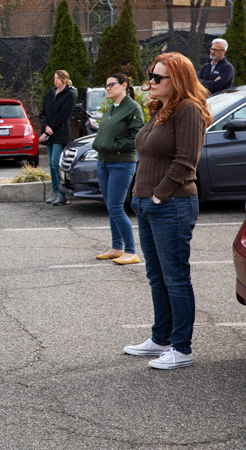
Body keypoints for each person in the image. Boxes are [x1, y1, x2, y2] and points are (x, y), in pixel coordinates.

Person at [123, 53, 211, 370]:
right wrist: (139, 195)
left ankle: (181, 348)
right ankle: (161, 338)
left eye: (157, 77)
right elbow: (148, 156)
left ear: (177, 80)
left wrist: (158, 196)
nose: (151, 81)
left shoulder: (188, 110)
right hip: (147, 204)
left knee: (175, 278)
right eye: (150, 74)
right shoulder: (160, 110)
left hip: (172, 204)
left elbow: (185, 161)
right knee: (156, 276)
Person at [91, 74, 144, 265]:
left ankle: (131, 251)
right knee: (111, 206)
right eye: (106, 85)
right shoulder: (112, 108)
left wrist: (113, 145)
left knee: (115, 206)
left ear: (124, 85)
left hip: (122, 163)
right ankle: (116, 247)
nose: (108, 88)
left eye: (111, 84)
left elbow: (137, 137)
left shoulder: (132, 108)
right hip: (103, 162)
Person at [39, 69, 78, 206]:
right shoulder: (51, 92)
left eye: (58, 78)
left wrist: (50, 128)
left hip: (60, 133)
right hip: (49, 132)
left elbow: (64, 115)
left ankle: (62, 194)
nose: (55, 80)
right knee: (51, 163)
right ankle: (55, 191)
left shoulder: (71, 93)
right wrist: (45, 127)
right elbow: (43, 112)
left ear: (64, 79)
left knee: (56, 163)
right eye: (54, 78)